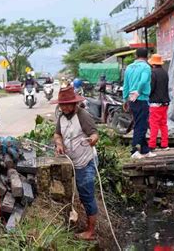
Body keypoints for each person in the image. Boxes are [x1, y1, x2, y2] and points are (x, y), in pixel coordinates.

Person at [52, 86, 99, 241]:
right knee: (73, 193)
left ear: (74, 104)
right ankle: (76, 221)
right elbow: (57, 134)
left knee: (87, 194)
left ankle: (90, 231)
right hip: (70, 160)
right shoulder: (61, 117)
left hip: (85, 161)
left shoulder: (82, 115)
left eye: (67, 104)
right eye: (62, 105)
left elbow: (94, 134)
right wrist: (59, 144)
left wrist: (92, 140)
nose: (64, 107)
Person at [123, 48, 156, 159]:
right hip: (141, 99)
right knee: (141, 126)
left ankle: (145, 150)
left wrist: (125, 99)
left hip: (132, 100)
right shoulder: (146, 67)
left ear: (136, 55)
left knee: (138, 123)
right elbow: (143, 80)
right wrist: (138, 91)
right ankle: (134, 150)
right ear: (147, 56)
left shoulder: (129, 67)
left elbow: (126, 84)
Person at [148, 54, 170, 151]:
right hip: (165, 103)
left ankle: (152, 145)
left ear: (153, 63)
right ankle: (165, 144)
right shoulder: (165, 73)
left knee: (154, 124)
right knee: (163, 124)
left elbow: (151, 88)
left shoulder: (153, 73)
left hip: (155, 103)